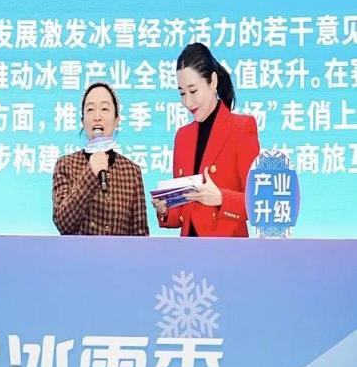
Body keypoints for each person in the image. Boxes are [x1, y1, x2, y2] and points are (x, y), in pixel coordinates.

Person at [152, 43, 260, 237]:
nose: (187, 102)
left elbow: (258, 203)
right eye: (182, 93)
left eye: (193, 91)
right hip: (189, 250)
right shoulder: (182, 136)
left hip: (227, 249)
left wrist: (221, 198)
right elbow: (183, 212)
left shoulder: (241, 128)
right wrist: (165, 209)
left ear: (213, 82)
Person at [53, 82, 149, 236]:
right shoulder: (66, 165)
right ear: (83, 121)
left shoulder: (132, 171)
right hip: (78, 252)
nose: (97, 117)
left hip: (118, 252)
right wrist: (90, 175)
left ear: (116, 120)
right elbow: (63, 223)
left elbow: (140, 235)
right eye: (90, 110)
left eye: (104, 109)